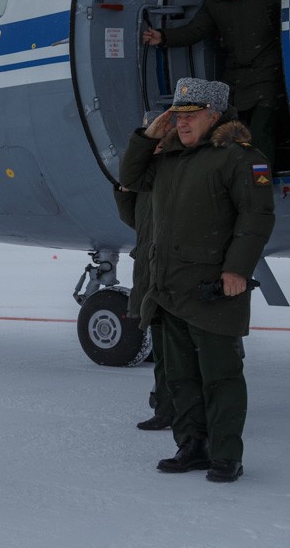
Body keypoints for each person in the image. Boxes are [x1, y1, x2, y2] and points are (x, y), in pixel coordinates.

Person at [119, 77, 274, 483]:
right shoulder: (167, 158)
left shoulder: (240, 158)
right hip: (170, 287)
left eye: (191, 116)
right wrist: (148, 134)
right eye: (177, 117)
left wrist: (237, 269)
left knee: (220, 376)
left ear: (215, 116)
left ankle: (225, 455)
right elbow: (129, 178)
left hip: (213, 290)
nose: (182, 125)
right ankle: (191, 445)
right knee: (181, 377)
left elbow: (256, 217)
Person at [142, 0, 283, 164]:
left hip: (268, 74)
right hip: (236, 79)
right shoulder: (216, 4)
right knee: (234, 137)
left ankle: (261, 184)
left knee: (261, 134)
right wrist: (163, 38)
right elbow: (196, 30)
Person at [113, 182, 175, 431]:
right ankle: (166, 409)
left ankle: (196, 416)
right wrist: (125, 192)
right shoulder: (149, 182)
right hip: (153, 277)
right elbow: (135, 220)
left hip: (179, 275)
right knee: (164, 352)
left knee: (190, 353)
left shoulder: (182, 174)